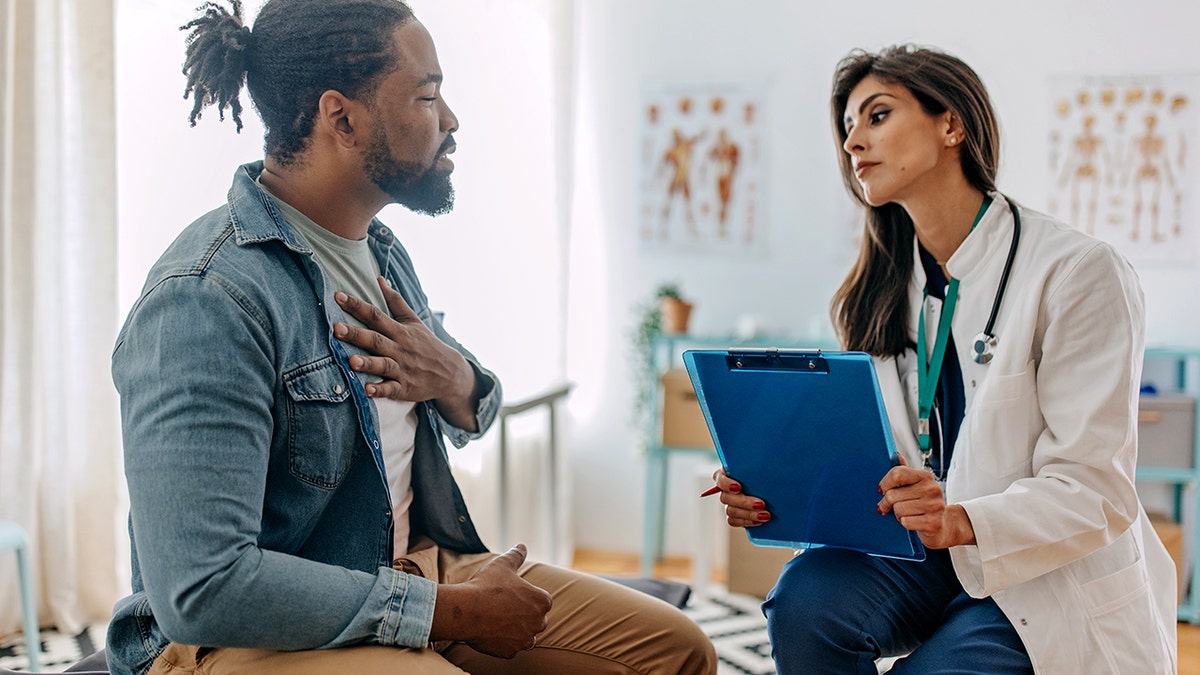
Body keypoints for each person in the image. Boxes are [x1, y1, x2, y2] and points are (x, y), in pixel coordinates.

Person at [107, 2, 716, 674]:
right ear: (341, 118)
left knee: (677, 652)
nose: (450, 119)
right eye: (427, 96)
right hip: (243, 635)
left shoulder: (381, 253)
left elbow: (474, 401)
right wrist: (446, 612)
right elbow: (203, 589)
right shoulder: (206, 299)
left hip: (411, 569)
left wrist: (453, 377)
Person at [712, 45, 1177, 674]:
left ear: (951, 124)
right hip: (924, 553)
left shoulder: (1077, 272)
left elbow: (1096, 489)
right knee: (805, 603)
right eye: (847, 127)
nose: (853, 143)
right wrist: (780, 488)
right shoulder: (880, 290)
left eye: (877, 115)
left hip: (1043, 572)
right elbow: (876, 462)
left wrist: (957, 520)